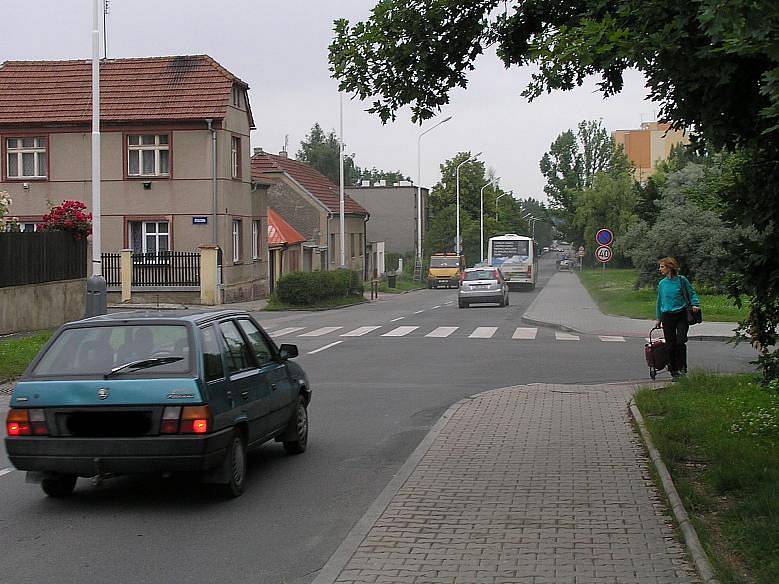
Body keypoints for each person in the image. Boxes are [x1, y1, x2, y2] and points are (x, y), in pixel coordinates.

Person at [655, 257, 701, 381]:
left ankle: (683, 370)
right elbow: (660, 301)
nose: (660, 269)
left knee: (680, 342)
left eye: (662, 266)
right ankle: (674, 371)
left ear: (670, 267)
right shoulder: (662, 284)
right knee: (670, 345)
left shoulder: (682, 280)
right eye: (660, 267)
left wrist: (695, 304)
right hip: (667, 316)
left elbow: (691, 293)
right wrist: (658, 318)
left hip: (681, 314)